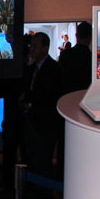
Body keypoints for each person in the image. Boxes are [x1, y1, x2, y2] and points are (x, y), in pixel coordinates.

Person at [19, 31, 63, 180]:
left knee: (43, 163)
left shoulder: (54, 69)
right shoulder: (31, 68)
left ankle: (43, 191)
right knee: (31, 160)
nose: (32, 49)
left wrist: (30, 101)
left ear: (45, 48)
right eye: (31, 46)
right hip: (31, 124)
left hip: (45, 125)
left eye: (35, 46)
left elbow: (48, 95)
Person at [58, 21, 92, 94]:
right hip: (86, 94)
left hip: (67, 94)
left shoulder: (65, 54)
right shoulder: (92, 57)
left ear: (76, 36)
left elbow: (60, 77)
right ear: (90, 37)